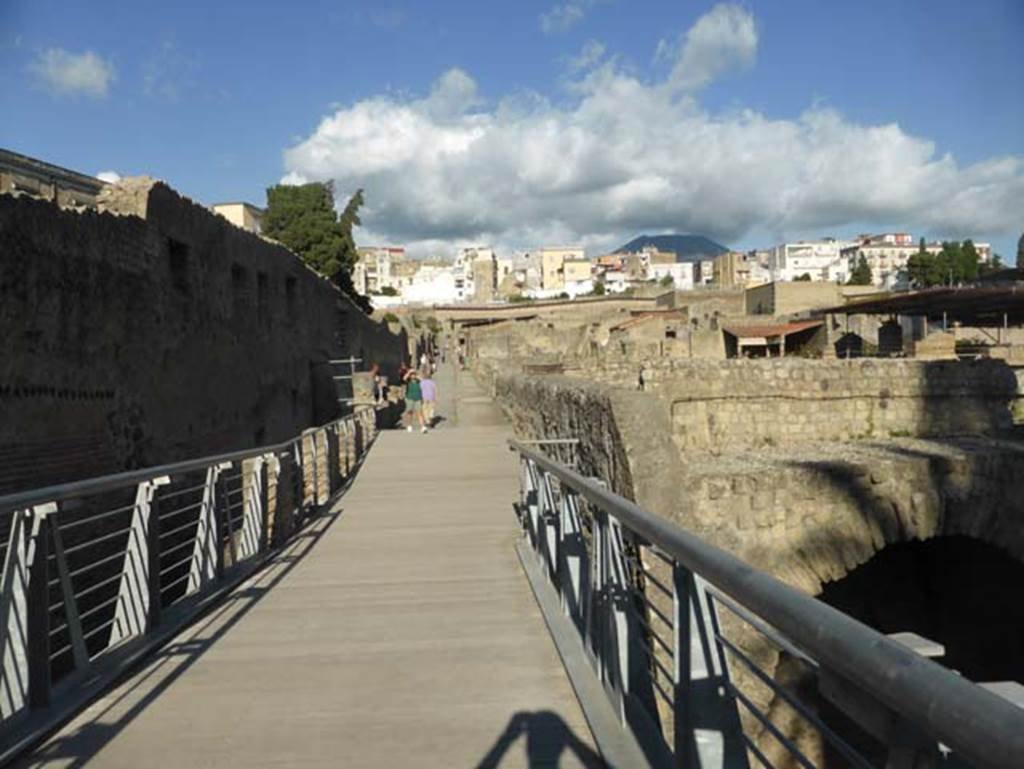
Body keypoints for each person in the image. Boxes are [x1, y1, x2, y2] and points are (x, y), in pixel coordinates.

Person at [403, 368, 426, 433]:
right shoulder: (408, 381)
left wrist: (416, 374)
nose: (413, 376)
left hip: (418, 398)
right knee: (410, 412)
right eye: (412, 375)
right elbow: (404, 378)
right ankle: (409, 425)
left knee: (419, 412)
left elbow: (422, 379)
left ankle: (423, 426)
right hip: (410, 398)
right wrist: (409, 372)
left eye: (414, 374)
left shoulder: (418, 381)